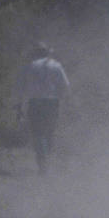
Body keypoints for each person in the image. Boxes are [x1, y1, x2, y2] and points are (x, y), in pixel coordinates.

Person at [14, 42, 71, 174]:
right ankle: (46, 159)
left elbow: (20, 88)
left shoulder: (29, 66)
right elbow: (65, 86)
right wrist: (63, 101)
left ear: (35, 53)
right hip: (52, 102)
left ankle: (42, 161)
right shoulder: (56, 65)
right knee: (49, 131)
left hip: (35, 103)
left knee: (38, 133)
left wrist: (18, 105)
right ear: (48, 53)